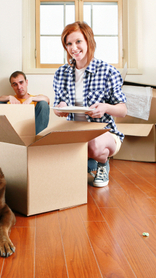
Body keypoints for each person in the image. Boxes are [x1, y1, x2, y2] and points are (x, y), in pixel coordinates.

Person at [53, 21, 127, 187]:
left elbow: (122, 110)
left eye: (78, 41)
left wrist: (105, 107)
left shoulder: (108, 71)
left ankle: (101, 163)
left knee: (93, 143)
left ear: (88, 41)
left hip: (103, 135)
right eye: (69, 43)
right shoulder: (61, 73)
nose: (74, 48)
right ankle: (88, 163)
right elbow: (59, 103)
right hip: (75, 133)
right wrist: (61, 108)